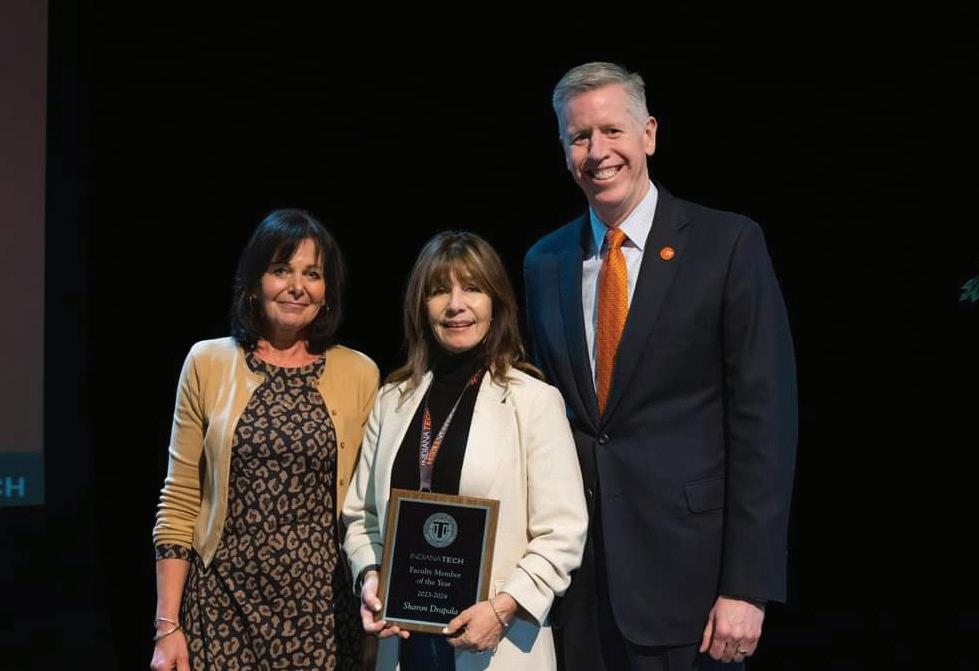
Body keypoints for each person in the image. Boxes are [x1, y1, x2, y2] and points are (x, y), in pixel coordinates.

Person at [523, 62, 798, 669]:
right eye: (579, 137)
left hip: (693, 588)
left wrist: (747, 586)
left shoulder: (728, 245)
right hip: (578, 588)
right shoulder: (544, 262)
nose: (598, 152)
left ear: (648, 134)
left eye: (612, 131)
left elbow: (765, 426)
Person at [342, 231, 588, 670]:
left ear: (496, 303)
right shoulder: (392, 400)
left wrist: (503, 609)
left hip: (498, 644)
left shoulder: (533, 401)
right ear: (422, 305)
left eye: (472, 288)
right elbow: (362, 516)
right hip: (404, 645)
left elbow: (563, 532)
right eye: (440, 290)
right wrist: (371, 578)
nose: (456, 305)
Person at [150, 209, 379, 671]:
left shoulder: (359, 373)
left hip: (323, 614)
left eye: (312, 274)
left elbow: (368, 504)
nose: (297, 286)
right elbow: (179, 499)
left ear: (327, 291)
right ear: (254, 282)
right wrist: (167, 626)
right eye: (281, 270)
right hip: (221, 607)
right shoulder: (207, 363)